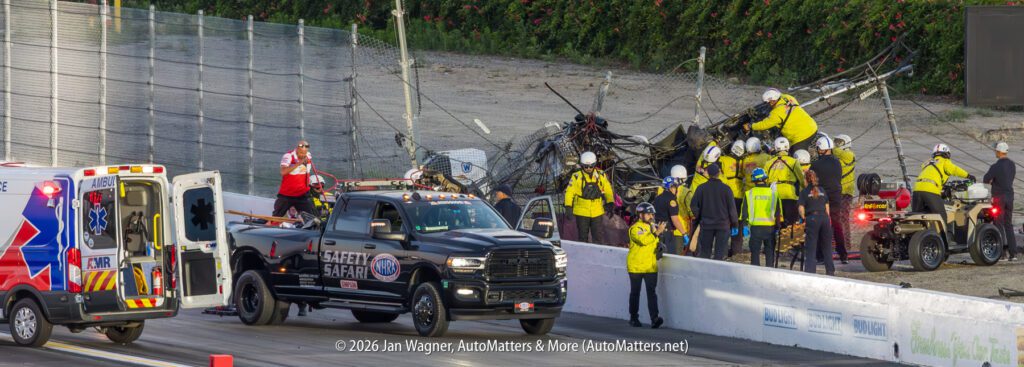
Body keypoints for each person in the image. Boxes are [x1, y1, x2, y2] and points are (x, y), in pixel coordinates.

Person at [744, 88, 819, 153]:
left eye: (768, 102)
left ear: (772, 101)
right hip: (812, 126)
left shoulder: (776, 113)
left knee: (795, 157)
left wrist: (751, 126)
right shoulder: (788, 97)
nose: (768, 104)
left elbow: (764, 125)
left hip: (801, 136)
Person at [627, 202, 665, 329]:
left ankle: (654, 318)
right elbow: (643, 241)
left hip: (650, 266)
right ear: (640, 215)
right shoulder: (635, 228)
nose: (651, 216)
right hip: (636, 266)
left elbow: (654, 243)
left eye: (652, 214)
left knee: (651, 293)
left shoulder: (653, 227)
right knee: (635, 292)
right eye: (648, 214)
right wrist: (656, 233)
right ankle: (633, 317)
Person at [810, 136, 848, 264]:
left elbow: (812, 182)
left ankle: (821, 256)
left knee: (821, 225)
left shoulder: (815, 165)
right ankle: (843, 255)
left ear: (820, 149)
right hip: (836, 196)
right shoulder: (837, 162)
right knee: (837, 225)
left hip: (822, 197)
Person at [913, 144, 972, 223]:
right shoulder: (944, 161)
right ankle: (943, 235)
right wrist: (968, 175)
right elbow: (954, 169)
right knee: (942, 217)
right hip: (930, 190)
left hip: (916, 189)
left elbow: (931, 174)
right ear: (947, 154)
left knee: (917, 217)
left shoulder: (927, 163)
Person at [564, 151, 614, 244]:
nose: (588, 168)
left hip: (597, 211)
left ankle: (597, 256)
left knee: (597, 237)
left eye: (591, 166)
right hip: (581, 211)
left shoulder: (601, 175)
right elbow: (569, 192)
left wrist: (610, 203)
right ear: (582, 165)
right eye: (585, 166)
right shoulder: (576, 177)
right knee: (582, 237)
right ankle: (583, 256)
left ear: (594, 165)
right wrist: (568, 207)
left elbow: (607, 189)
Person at [690, 164, 738, 260]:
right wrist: (735, 224)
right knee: (719, 253)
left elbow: (693, 205)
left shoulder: (701, 188)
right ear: (719, 173)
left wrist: (700, 216)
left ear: (708, 174)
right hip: (723, 225)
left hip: (706, 224)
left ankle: (705, 273)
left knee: (705, 252)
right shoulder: (726, 189)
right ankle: (717, 273)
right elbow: (732, 209)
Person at [741, 168, 782, 267]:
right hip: (770, 228)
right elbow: (778, 212)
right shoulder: (774, 194)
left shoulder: (749, 193)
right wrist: (778, 227)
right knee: (770, 253)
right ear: (765, 179)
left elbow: (744, 212)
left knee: (755, 254)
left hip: (756, 229)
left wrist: (744, 226)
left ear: (754, 180)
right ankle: (770, 273)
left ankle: (755, 274)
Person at [984, 142, 1017, 261]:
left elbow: (985, 179)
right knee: (1008, 224)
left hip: (999, 198)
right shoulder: (1012, 165)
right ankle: (1013, 254)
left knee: (998, 224)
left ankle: (1002, 253)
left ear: (998, 152)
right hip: (1010, 196)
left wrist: (993, 182)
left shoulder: (995, 166)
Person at [799, 170, 835, 275]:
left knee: (811, 246)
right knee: (827, 247)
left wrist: (804, 218)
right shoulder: (822, 190)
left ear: (806, 180)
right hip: (824, 219)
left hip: (812, 218)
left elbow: (801, 209)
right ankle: (830, 270)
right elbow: (827, 208)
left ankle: (810, 271)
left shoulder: (804, 192)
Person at [766, 137, 805, 226]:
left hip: (774, 194)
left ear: (775, 148)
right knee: (791, 224)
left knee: (776, 223)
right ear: (787, 147)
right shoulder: (794, 162)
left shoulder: (769, 163)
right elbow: (801, 179)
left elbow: (765, 180)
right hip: (789, 194)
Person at [275, 141, 316, 218]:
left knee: (311, 219)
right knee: (275, 219)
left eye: (305, 153)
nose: (303, 155)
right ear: (297, 149)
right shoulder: (288, 156)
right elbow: (283, 172)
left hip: (302, 194)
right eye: (301, 153)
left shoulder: (308, 156)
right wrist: (298, 163)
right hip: (287, 195)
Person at [834, 134, 857, 263]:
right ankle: (839, 243)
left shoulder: (849, 154)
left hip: (846, 192)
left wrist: (829, 147)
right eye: (836, 142)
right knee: (837, 219)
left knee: (844, 219)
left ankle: (847, 244)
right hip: (838, 191)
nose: (837, 144)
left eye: (839, 142)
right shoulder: (838, 156)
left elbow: (835, 151)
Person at [722, 141, 746, 257]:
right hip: (740, 197)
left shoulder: (723, 160)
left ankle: (723, 250)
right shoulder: (744, 162)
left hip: (726, 197)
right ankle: (736, 251)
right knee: (738, 224)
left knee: (726, 224)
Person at [653, 176, 687, 256]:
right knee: (670, 258)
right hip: (667, 234)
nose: (676, 190)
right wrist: (684, 233)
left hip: (657, 231)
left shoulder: (657, 198)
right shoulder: (672, 200)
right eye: (675, 187)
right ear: (671, 188)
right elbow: (675, 219)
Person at [670, 165, 694, 255]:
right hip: (681, 230)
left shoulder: (661, 189)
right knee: (681, 256)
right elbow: (692, 212)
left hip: (666, 229)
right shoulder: (686, 192)